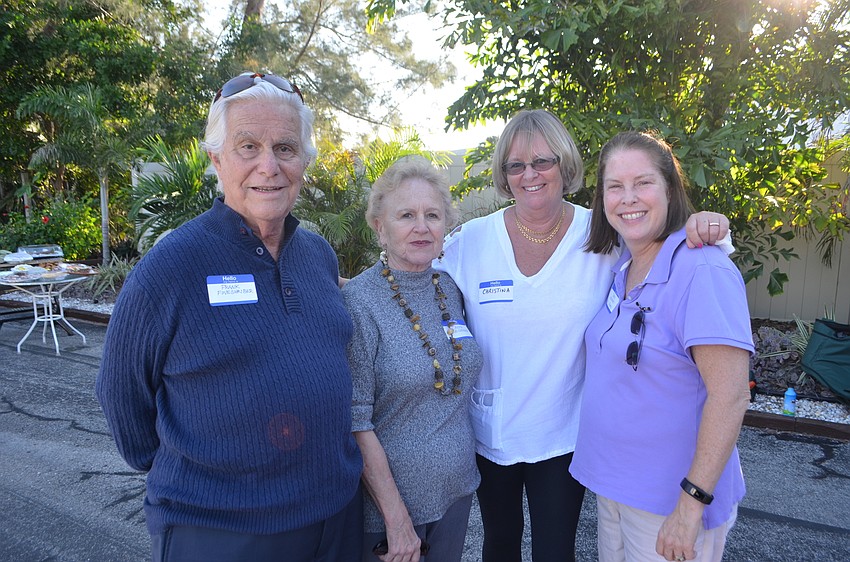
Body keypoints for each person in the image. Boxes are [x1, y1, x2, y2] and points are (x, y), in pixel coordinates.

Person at [435, 109, 730, 562]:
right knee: (498, 545)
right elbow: (412, 274)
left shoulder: (602, 234)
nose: (530, 174)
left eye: (543, 161)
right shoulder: (470, 242)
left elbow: (664, 243)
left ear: (564, 165)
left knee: (556, 552)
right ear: (504, 174)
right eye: (516, 165)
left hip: (564, 432)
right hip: (492, 433)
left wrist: (705, 226)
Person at [96, 72, 363, 562]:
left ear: (304, 161)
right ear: (217, 159)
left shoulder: (317, 255)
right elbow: (121, 393)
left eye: (285, 148)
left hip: (335, 519)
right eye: (248, 146)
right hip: (221, 531)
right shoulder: (171, 266)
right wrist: (198, 475)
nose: (269, 166)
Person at [570, 130, 752, 562]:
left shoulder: (702, 269)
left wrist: (691, 504)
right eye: (615, 186)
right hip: (615, 490)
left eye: (643, 183)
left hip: (670, 505)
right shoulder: (624, 266)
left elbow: (730, 396)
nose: (628, 198)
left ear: (669, 188)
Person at [343, 156, 484, 562]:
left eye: (432, 215)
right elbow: (356, 421)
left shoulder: (450, 289)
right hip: (390, 517)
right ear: (380, 227)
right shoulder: (359, 303)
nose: (422, 227)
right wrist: (396, 520)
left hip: (456, 493)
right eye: (406, 215)